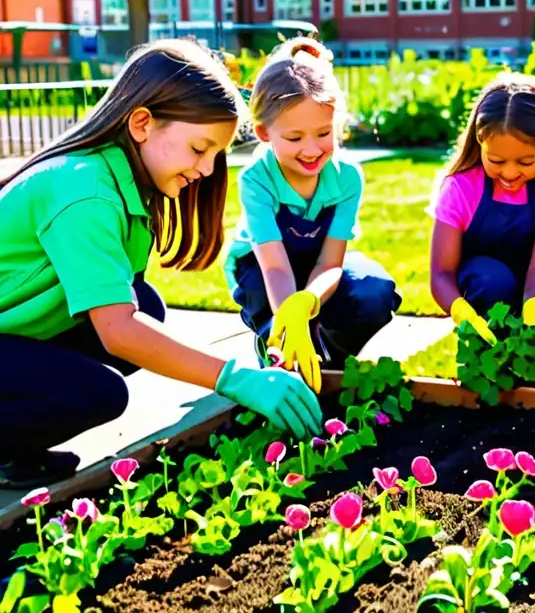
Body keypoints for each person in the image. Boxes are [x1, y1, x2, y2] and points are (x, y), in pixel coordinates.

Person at [0, 39, 322, 488]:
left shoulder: (120, 180)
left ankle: (13, 449)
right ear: (142, 123)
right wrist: (234, 377)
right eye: (198, 149)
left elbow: (125, 312)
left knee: (144, 306)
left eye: (215, 155)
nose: (207, 170)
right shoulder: (84, 192)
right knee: (99, 392)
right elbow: (118, 332)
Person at [225, 38, 400, 393]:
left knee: (374, 292)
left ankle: (330, 357)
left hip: (318, 265)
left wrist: (307, 303)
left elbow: (330, 263)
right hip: (262, 270)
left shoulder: (346, 178)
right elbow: (275, 267)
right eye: (294, 138)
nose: (311, 149)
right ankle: (273, 349)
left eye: (323, 133)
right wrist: (290, 319)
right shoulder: (256, 180)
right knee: (282, 343)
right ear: (264, 133)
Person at [429, 72, 535, 358]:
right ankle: (486, 360)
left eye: (525, 161)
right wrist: (463, 315)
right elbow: (441, 273)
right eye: (496, 160)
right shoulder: (460, 188)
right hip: (484, 283)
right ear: (479, 142)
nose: (509, 173)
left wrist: (532, 320)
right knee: (492, 279)